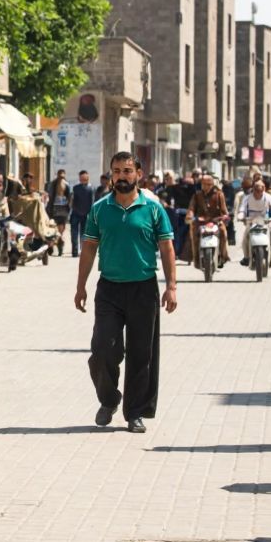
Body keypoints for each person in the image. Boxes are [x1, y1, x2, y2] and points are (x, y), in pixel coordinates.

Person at [75, 152, 177, 434]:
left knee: (141, 353)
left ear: (138, 174)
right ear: (110, 174)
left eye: (127, 170)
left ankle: (135, 412)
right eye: (117, 171)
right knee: (102, 350)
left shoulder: (153, 208)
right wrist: (80, 285)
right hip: (109, 288)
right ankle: (109, 400)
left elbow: (167, 248)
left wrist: (171, 287)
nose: (122, 176)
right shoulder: (99, 209)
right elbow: (89, 249)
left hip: (144, 287)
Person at [186, 172, 231, 269]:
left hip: (216, 221)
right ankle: (196, 260)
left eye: (207, 184)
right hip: (200, 222)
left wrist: (225, 216)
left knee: (223, 232)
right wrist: (190, 215)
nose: (205, 186)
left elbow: (224, 210)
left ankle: (223, 256)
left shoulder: (219, 195)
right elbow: (191, 208)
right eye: (203, 184)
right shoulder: (197, 195)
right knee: (194, 234)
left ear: (212, 184)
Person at [237, 179, 271, 267]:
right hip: (251, 221)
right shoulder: (247, 198)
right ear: (253, 189)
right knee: (245, 238)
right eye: (256, 190)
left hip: (266, 221)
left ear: (263, 189)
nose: (258, 192)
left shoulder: (269, 197)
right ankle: (246, 257)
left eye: (260, 190)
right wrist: (241, 215)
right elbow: (242, 209)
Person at [45, 170, 72, 256]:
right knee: (56, 229)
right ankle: (54, 246)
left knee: (57, 230)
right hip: (57, 209)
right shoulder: (54, 185)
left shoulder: (64, 185)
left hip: (60, 209)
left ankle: (57, 246)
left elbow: (69, 197)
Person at [69, 170, 95, 257]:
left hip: (86, 215)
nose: (83, 179)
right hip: (75, 214)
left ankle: (83, 251)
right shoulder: (75, 188)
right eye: (82, 178)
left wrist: (91, 215)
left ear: (88, 178)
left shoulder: (91, 188)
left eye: (85, 178)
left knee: (84, 234)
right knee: (74, 233)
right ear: (79, 178)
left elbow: (92, 203)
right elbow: (72, 200)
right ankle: (74, 251)